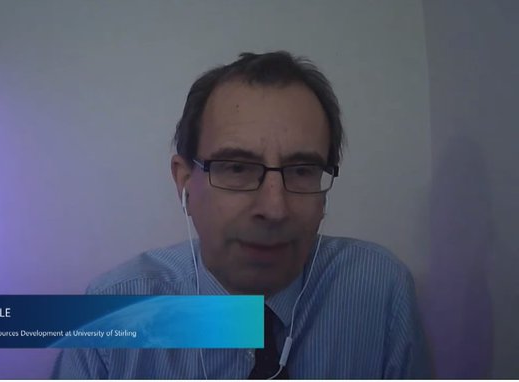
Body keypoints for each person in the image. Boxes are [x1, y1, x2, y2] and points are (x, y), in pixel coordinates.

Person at [54, 51, 430, 379]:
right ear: (186, 183)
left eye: (301, 170)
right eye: (236, 168)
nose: (274, 208)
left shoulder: (378, 290)